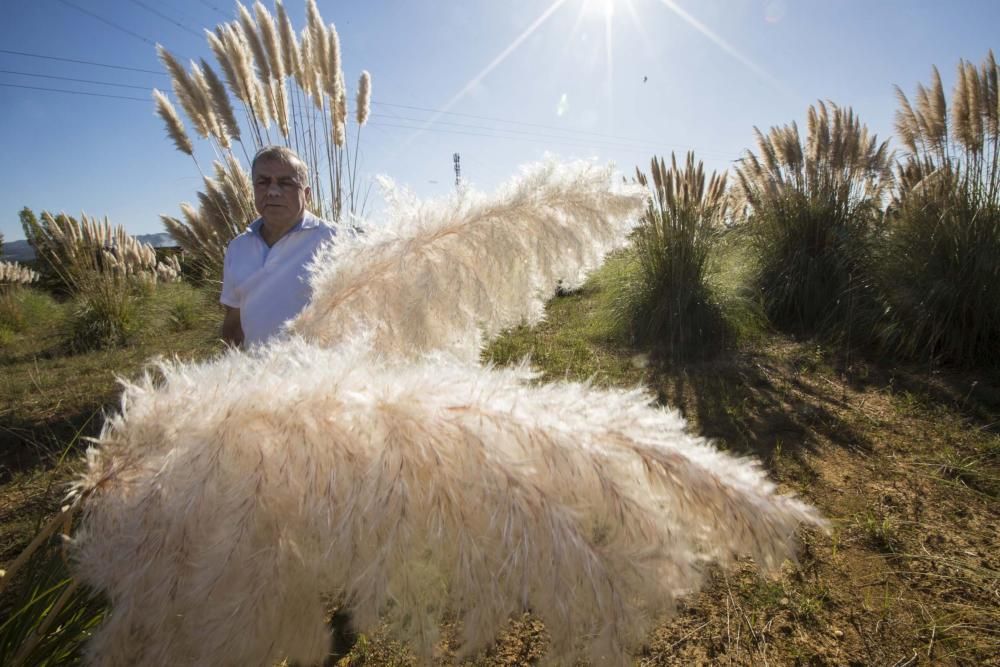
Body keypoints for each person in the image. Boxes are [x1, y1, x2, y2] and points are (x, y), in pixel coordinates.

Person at [220, 146, 338, 347]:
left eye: (286, 183)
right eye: (263, 182)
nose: (273, 191)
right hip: (257, 375)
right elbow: (233, 319)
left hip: (319, 375)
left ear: (307, 194)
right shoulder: (237, 248)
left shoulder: (335, 240)